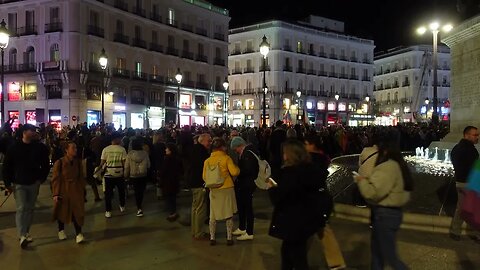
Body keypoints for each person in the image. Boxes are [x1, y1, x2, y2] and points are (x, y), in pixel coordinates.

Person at [354, 134, 412, 270]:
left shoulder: (388, 167)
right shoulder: (397, 164)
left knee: (390, 257)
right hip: (388, 214)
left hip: (385, 215)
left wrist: (361, 180)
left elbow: (372, 192)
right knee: (377, 253)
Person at [268, 139, 325, 270]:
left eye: (284, 153)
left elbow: (280, 198)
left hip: (293, 220)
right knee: (296, 253)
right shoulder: (311, 170)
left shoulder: (291, 174)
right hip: (306, 219)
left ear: (290, 155)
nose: (283, 156)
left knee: (294, 256)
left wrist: (271, 188)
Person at [3, 124, 50, 249]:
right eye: (32, 130)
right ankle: (22, 234)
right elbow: (6, 166)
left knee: (30, 208)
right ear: (24, 132)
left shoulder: (39, 147)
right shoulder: (14, 148)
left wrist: (41, 179)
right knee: (21, 207)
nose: (34, 132)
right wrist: (8, 183)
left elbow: (45, 164)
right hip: (19, 183)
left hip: (34, 182)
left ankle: (26, 232)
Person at [304, 135, 346, 270]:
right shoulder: (323, 158)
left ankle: (296, 260)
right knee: (322, 231)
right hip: (321, 199)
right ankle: (336, 262)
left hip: (311, 201)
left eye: (306, 143)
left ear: (312, 145)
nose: (304, 146)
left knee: (308, 231)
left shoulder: (309, 160)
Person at [203, 137, 240, 246]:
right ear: (222, 147)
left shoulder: (207, 161)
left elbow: (204, 177)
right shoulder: (226, 158)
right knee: (228, 214)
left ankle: (212, 238)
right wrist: (238, 168)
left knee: (213, 215)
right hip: (227, 188)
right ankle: (229, 238)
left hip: (214, 190)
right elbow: (234, 172)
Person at [51, 141, 87, 244]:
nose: (75, 150)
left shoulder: (78, 162)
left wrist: (82, 189)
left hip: (76, 189)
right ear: (66, 150)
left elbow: (81, 177)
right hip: (63, 189)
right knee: (62, 210)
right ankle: (61, 229)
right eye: (73, 148)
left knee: (77, 211)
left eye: (76, 148)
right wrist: (56, 193)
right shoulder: (60, 162)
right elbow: (55, 178)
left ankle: (79, 233)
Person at [450, 125, 480, 241]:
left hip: (460, 182)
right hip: (470, 183)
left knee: (461, 207)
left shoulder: (456, 148)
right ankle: (475, 233)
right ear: (467, 135)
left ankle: (455, 231)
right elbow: (475, 169)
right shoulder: (471, 151)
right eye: (475, 135)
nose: (477, 137)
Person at [230, 136, 259, 241]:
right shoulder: (249, 150)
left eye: (235, 149)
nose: (236, 152)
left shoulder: (247, 153)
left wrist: (238, 171)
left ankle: (249, 232)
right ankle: (242, 227)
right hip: (246, 184)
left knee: (247, 208)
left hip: (247, 184)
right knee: (242, 206)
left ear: (239, 146)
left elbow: (248, 170)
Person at [189, 133, 212, 240]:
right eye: (209, 141)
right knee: (200, 208)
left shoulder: (194, 149)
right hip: (199, 183)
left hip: (193, 182)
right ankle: (199, 232)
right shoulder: (201, 152)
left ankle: (195, 230)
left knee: (195, 208)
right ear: (202, 141)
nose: (210, 143)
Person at [100, 132, 127, 218]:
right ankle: (122, 206)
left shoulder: (105, 149)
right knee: (121, 191)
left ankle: (108, 211)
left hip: (108, 174)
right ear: (116, 139)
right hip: (120, 174)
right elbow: (124, 163)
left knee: (108, 194)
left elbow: (102, 162)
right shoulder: (122, 149)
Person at [125, 137, 151, 217]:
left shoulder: (130, 154)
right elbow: (149, 165)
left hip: (133, 174)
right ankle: (140, 204)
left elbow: (127, 166)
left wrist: (125, 175)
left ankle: (139, 207)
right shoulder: (145, 153)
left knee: (136, 191)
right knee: (141, 190)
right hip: (143, 174)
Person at [159, 143, 183, 221]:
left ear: (170, 150)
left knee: (169, 198)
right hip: (175, 181)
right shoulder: (177, 158)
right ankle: (174, 212)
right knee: (173, 198)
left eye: (167, 149)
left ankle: (172, 213)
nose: (165, 150)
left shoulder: (167, 159)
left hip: (168, 181)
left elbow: (163, 171)